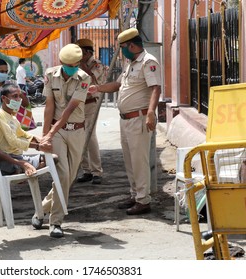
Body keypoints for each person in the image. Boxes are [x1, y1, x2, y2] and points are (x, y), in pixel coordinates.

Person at [88, 28, 161, 215]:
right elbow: (118, 85)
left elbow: (155, 89)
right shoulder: (131, 63)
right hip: (126, 119)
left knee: (139, 161)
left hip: (140, 118)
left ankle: (143, 200)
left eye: (123, 47)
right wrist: (98, 88)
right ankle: (135, 194)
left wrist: (151, 112)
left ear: (132, 45)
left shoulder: (148, 62)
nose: (122, 51)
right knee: (129, 161)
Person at [32, 44, 91, 238]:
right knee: (63, 175)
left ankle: (41, 209)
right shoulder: (50, 74)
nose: (72, 68)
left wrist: (50, 133)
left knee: (69, 177)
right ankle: (55, 222)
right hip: (57, 132)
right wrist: (45, 137)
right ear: (61, 63)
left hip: (76, 131)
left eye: (75, 64)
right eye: (68, 65)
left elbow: (70, 109)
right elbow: (50, 106)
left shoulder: (84, 78)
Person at [0, 58, 30, 214]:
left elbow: (24, 103)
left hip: (8, 125)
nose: (5, 74)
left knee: (12, 155)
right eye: (2, 72)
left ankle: (7, 191)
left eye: (6, 71)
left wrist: (18, 91)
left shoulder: (10, 86)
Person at [75, 38, 107, 185]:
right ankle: (86, 170)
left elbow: (92, 80)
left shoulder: (97, 64)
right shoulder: (75, 65)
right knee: (80, 136)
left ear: (87, 52)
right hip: (78, 104)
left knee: (90, 136)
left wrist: (81, 65)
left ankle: (96, 171)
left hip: (91, 103)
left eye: (80, 52)